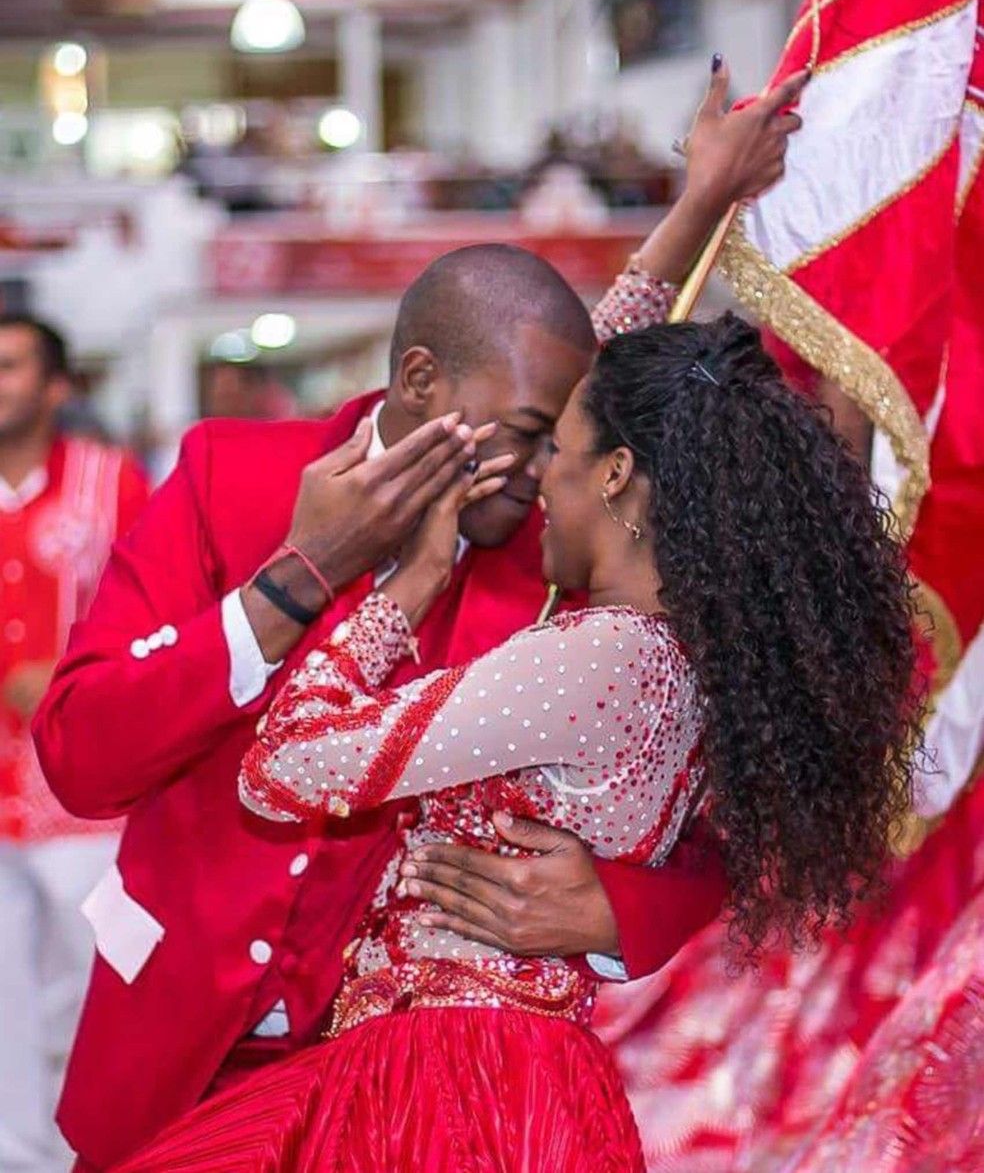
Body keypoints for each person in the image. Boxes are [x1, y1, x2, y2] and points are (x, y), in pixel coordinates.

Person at [34, 60, 807, 1170]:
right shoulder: (229, 476)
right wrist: (295, 583)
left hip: (410, 1098)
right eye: (529, 437)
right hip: (173, 1061)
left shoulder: (553, 566)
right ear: (422, 380)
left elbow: (719, 816)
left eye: (559, 448)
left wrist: (619, 912)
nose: (548, 472)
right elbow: (81, 756)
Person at [114, 307, 920, 1171]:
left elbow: (285, 765)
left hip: (444, 1078)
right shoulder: (687, 658)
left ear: (615, 474)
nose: (538, 480)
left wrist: (402, 584)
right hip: (516, 1066)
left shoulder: (599, 659)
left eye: (557, 452)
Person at [0, 314, 148, 1172]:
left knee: (84, 990)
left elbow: (160, 612)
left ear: (57, 387)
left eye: (12, 365)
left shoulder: (111, 481)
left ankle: (77, 1153)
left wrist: (70, 671)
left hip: (80, 791)